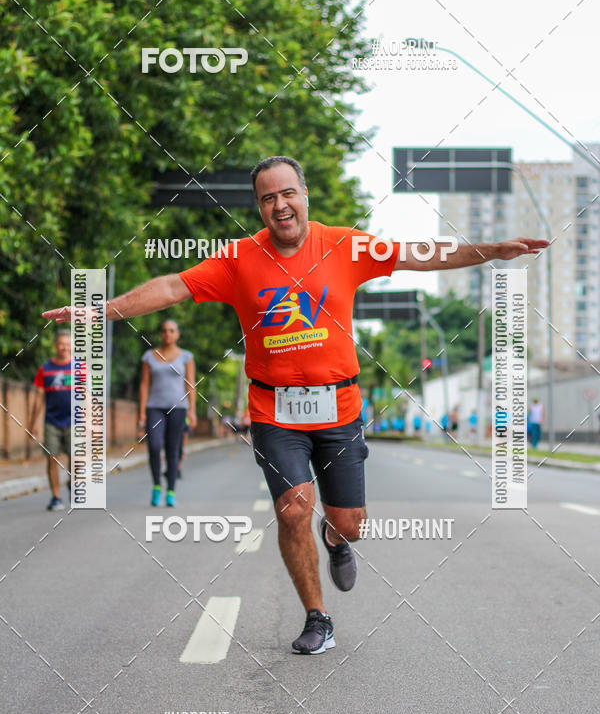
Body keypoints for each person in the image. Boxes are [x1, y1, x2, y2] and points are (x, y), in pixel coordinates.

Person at [43, 155, 548, 654]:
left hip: (341, 408)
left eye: (287, 193)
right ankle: (318, 617)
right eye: (268, 198)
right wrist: (103, 310)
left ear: (305, 196)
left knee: (351, 522)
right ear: (260, 208)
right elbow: (172, 286)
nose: (280, 205)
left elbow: (424, 253)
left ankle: (336, 537)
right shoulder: (238, 259)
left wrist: (492, 251)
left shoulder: (346, 245)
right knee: (292, 509)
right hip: (274, 413)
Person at [138, 319, 196, 506]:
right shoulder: (149, 356)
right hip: (154, 407)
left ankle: (171, 491)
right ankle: (156, 486)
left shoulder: (186, 356)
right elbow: (144, 385)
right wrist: (141, 413)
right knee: (154, 446)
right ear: (160, 333)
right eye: (164, 330)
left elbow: (190, 383)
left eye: (171, 331)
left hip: (178, 408)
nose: (167, 334)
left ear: (177, 334)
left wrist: (192, 411)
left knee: (173, 448)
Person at [28, 331, 73, 510]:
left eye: (68, 344)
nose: (64, 348)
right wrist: (33, 424)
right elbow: (39, 398)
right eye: (61, 344)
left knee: (75, 458)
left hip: (74, 421)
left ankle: (72, 482)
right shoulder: (45, 369)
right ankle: (56, 497)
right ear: (55, 346)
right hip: (52, 421)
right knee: (52, 459)